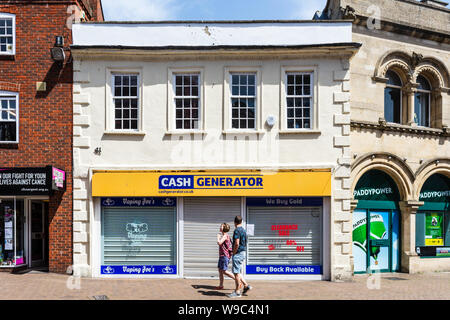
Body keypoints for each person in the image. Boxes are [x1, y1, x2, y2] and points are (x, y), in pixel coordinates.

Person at [228, 215, 252, 298]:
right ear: (241, 222)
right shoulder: (244, 230)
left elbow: (237, 243)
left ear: (235, 222)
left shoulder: (237, 230)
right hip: (243, 252)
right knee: (238, 271)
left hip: (238, 253)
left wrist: (234, 252)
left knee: (236, 273)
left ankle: (237, 292)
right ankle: (246, 286)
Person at [215, 223, 235, 290]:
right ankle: (221, 285)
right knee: (220, 270)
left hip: (224, 256)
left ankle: (238, 280)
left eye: (221, 226)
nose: (220, 227)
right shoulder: (224, 236)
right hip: (222, 256)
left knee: (224, 271)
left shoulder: (225, 236)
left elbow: (219, 243)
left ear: (224, 228)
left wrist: (218, 238)